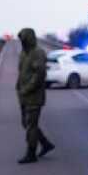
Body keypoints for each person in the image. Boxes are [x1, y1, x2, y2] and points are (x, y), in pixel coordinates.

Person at [16, 28, 55, 164]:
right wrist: (19, 87)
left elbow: (39, 75)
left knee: (31, 126)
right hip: (23, 95)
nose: (22, 41)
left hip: (34, 96)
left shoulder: (38, 53)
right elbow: (22, 72)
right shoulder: (24, 53)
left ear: (29, 38)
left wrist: (26, 88)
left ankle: (31, 153)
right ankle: (45, 144)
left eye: (24, 39)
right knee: (26, 123)